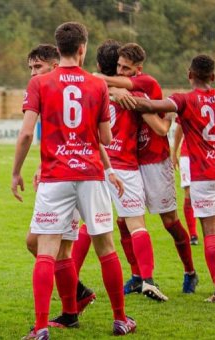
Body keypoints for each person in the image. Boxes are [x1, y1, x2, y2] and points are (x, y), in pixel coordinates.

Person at [13, 22, 135, 339]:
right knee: (106, 248)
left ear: (59, 49)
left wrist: (16, 172)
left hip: (56, 176)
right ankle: (120, 319)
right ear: (82, 49)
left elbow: (26, 132)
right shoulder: (96, 85)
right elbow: (105, 137)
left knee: (45, 250)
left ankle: (41, 328)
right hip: (90, 175)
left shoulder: (41, 83)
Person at [122, 54, 215, 303]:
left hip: (204, 172)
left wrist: (122, 96)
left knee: (210, 230)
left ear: (190, 75)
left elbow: (151, 107)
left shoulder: (183, 99)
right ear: (213, 77)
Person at [70, 40, 175, 303]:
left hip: (99, 164)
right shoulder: (133, 92)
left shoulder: (91, 88)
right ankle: (148, 279)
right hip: (126, 166)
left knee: (89, 223)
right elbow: (160, 127)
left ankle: (70, 276)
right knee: (136, 224)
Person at [96, 43, 197, 295]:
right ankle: (138, 276)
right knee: (123, 221)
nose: (121, 71)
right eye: (118, 66)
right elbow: (104, 88)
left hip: (154, 161)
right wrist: (113, 92)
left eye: (126, 68)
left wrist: (140, 106)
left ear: (138, 70)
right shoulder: (120, 87)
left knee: (170, 221)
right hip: (130, 162)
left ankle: (190, 271)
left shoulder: (147, 84)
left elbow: (163, 129)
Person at [23, 43, 97, 325]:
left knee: (42, 244)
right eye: (30, 68)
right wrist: (43, 165)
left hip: (71, 177)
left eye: (37, 67)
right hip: (62, 172)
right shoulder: (48, 87)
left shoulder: (52, 87)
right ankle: (74, 304)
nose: (32, 73)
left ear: (55, 66)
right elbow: (60, 134)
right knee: (50, 246)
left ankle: (72, 304)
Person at [171, 123, 199, 244]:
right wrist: (174, 153)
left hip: (205, 155)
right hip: (187, 155)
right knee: (189, 193)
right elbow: (180, 128)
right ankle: (193, 234)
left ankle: (213, 232)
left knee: (209, 194)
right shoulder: (187, 104)